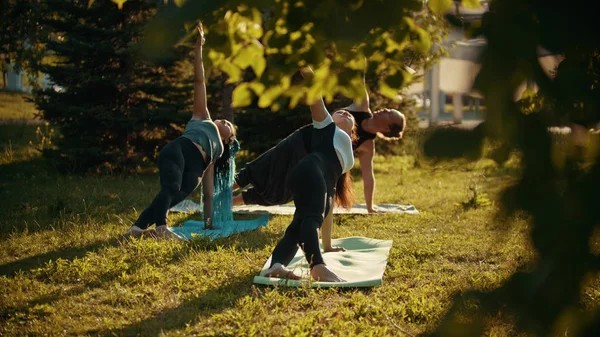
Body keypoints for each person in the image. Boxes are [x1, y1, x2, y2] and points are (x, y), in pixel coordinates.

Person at [124, 23, 237, 239]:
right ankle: (162, 227)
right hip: (179, 151)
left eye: (227, 123)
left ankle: (136, 229)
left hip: (195, 170)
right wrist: (198, 48)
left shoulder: (217, 153)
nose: (222, 119)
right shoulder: (203, 116)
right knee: (172, 187)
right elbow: (199, 81)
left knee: (171, 195)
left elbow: (208, 193)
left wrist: (209, 223)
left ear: (229, 138)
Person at [233, 75, 405, 213]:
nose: (385, 109)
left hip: (313, 162)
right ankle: (218, 193)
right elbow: (359, 77)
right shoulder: (362, 107)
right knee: (260, 169)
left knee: (278, 194)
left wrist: (370, 207)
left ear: (388, 127)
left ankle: (230, 202)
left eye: (389, 113)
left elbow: (368, 177)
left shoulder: (367, 146)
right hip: (305, 141)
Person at [263, 68, 356, 282]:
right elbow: (316, 99)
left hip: (311, 176)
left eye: (349, 115)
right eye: (341, 111)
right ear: (330, 118)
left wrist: (329, 244)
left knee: (297, 227)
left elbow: (329, 201)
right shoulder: (326, 128)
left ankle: (276, 265)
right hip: (311, 171)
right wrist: (309, 73)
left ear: (353, 132)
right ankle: (317, 267)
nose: (345, 113)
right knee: (312, 218)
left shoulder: (345, 151)